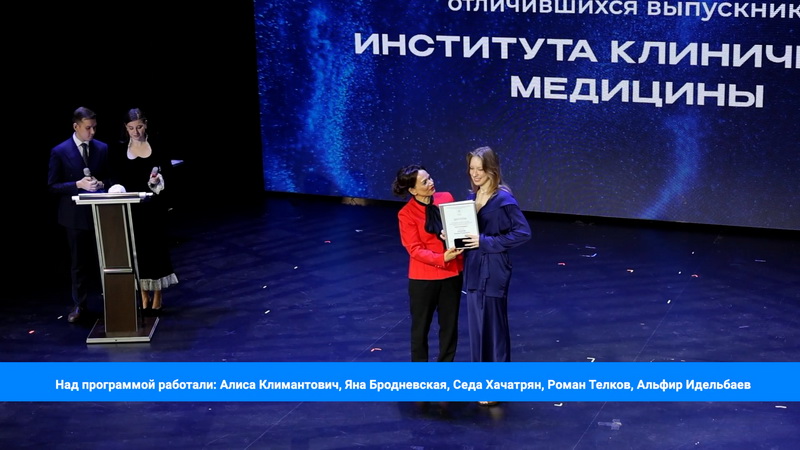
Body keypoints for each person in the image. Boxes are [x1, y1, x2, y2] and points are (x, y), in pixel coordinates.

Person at [460, 147, 531, 405]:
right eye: (472, 168)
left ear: (492, 169)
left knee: (493, 327)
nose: (475, 174)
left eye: (480, 169)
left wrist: (485, 241)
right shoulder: (472, 197)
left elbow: (522, 233)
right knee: (477, 328)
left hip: (493, 269)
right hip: (474, 268)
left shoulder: (503, 200)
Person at [392, 164, 464, 362]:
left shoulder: (446, 198)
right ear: (412, 190)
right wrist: (442, 258)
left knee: (449, 326)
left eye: (430, 178)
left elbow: (458, 227)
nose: (431, 183)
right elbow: (414, 249)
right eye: (424, 182)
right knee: (420, 328)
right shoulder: (406, 214)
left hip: (452, 273)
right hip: (424, 279)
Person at [109, 108, 178, 314]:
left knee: (155, 250)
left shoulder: (158, 146)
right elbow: (115, 177)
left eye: (139, 127)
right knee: (136, 252)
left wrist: (158, 181)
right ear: (125, 128)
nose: (136, 131)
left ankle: (157, 295)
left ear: (145, 124)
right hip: (132, 209)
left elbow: (169, 174)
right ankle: (143, 295)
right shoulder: (120, 150)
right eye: (131, 128)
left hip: (153, 208)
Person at [48, 106, 110, 323]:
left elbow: (111, 178)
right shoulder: (60, 151)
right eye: (88, 128)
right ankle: (80, 304)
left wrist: (101, 183)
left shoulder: (102, 148)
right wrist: (77, 184)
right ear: (76, 127)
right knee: (79, 263)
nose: (92, 132)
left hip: (101, 213)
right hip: (74, 217)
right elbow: (53, 186)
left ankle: (112, 300)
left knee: (105, 260)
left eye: (94, 128)